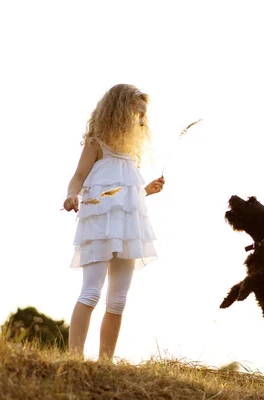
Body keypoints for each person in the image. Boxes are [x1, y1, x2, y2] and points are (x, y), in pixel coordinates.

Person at [62, 83, 165, 361]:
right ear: (120, 111)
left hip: (128, 230)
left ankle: (105, 363)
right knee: (91, 292)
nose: (141, 120)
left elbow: (121, 196)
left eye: (144, 115)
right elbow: (78, 177)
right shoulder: (97, 144)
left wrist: (147, 191)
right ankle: (75, 359)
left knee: (118, 300)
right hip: (98, 225)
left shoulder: (131, 157)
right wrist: (72, 195)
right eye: (137, 113)